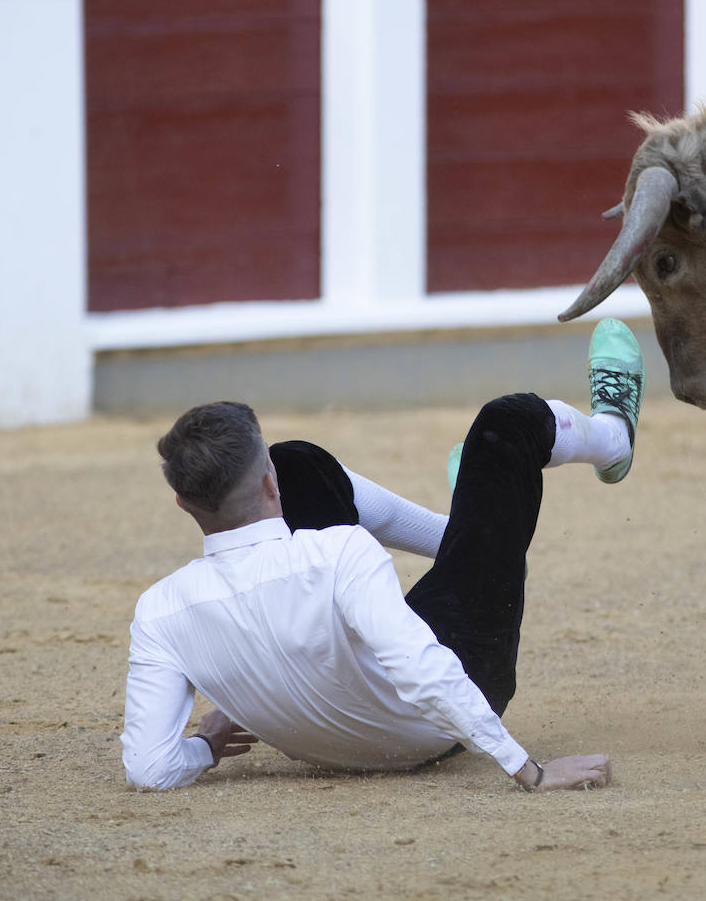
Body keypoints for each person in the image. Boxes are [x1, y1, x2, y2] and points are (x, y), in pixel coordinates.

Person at [120, 319, 646, 793]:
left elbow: (148, 766)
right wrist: (531, 771)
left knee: (296, 461)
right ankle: (613, 437)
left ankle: (471, 535)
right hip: (435, 720)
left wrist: (208, 747)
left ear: (182, 502)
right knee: (507, 423)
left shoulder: (160, 610)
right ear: (266, 485)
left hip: (325, 746)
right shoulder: (339, 552)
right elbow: (421, 668)